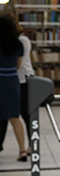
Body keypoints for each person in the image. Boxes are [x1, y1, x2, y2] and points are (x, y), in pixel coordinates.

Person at [0, 15, 29, 162]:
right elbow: (18, 65)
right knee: (14, 118)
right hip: (12, 80)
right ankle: (22, 150)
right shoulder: (19, 45)